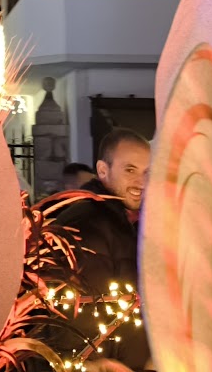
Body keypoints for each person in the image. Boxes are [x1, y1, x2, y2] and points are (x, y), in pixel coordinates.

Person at [38, 129, 151, 370]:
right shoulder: (87, 221)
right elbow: (77, 308)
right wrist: (94, 363)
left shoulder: (128, 219)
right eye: (130, 170)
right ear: (103, 170)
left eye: (147, 172)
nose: (141, 182)